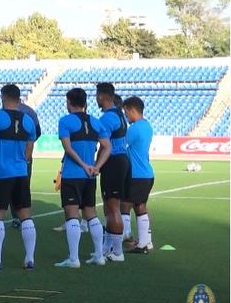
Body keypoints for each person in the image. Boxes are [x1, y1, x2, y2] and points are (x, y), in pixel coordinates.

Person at [0, 84, 37, 272]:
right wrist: (22, 162)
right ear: (19, 99)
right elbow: (29, 150)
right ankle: (29, 259)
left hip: (2, 172)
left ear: (3, 98)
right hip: (21, 172)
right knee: (25, 214)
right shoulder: (28, 121)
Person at [54, 88, 111, 268]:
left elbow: (68, 149)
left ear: (69, 102)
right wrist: (96, 166)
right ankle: (99, 256)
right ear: (85, 103)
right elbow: (107, 147)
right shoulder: (95, 122)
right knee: (91, 214)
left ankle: (73, 259)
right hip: (90, 176)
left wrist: (83, 164)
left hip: (72, 174)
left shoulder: (65, 121)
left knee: (71, 215)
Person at [95, 83, 129, 260]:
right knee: (110, 206)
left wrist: (97, 165)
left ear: (101, 96)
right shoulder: (120, 114)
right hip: (120, 161)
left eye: (96, 95)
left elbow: (104, 146)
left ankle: (117, 252)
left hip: (113, 162)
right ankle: (107, 247)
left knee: (113, 207)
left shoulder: (107, 119)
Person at [121, 96, 155, 255]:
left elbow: (121, 145)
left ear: (132, 110)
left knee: (129, 205)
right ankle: (145, 241)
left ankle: (137, 241)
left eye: (126, 112)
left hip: (136, 174)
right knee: (139, 205)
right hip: (146, 173)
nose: (126, 116)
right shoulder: (147, 126)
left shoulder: (134, 128)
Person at [11, 96, 42, 229]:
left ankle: (15, 217)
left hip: (9, 155)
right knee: (24, 186)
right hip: (25, 154)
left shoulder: (4, 111)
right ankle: (25, 217)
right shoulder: (30, 112)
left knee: (9, 187)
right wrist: (28, 143)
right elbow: (37, 132)